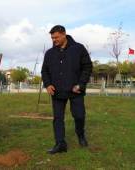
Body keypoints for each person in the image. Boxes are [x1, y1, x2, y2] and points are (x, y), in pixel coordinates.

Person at [41, 25, 92, 154]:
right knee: (58, 118)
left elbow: (87, 67)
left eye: (56, 37)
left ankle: (80, 134)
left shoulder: (79, 48)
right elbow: (44, 71)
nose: (54, 40)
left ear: (64, 34)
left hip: (75, 90)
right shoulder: (49, 53)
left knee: (79, 116)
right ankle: (60, 144)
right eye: (52, 38)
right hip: (57, 91)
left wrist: (81, 84)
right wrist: (48, 84)